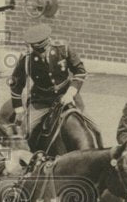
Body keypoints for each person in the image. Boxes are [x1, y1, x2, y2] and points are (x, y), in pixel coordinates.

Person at [8, 23, 87, 151]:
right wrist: (19, 110)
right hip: (41, 101)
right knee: (25, 132)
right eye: (38, 51)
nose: (42, 54)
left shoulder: (63, 49)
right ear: (33, 47)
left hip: (67, 97)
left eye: (44, 50)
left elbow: (80, 70)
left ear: (49, 42)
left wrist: (70, 93)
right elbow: (15, 84)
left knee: (92, 127)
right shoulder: (27, 59)